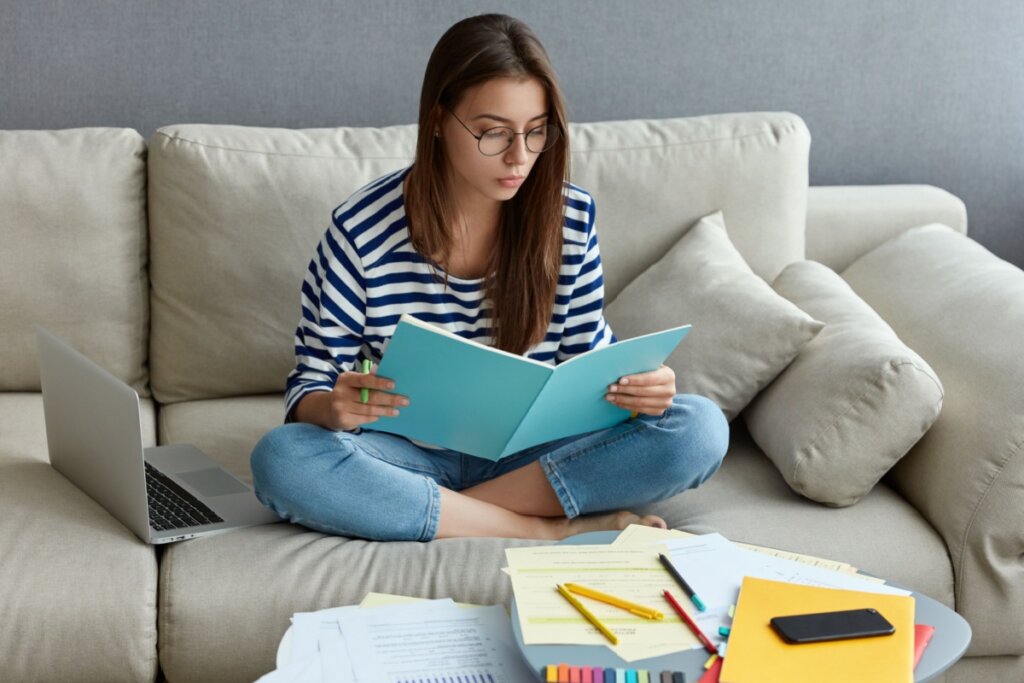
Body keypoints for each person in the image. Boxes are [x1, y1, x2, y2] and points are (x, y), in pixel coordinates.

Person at [250, 13, 728, 542]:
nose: (519, 157)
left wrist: (638, 389)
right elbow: (310, 390)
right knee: (283, 459)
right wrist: (336, 406)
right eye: (492, 133)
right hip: (401, 457)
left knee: (698, 429)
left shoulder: (569, 219)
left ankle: (447, 514)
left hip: (528, 458)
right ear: (438, 119)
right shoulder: (360, 231)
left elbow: (585, 363)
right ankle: (541, 530)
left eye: (536, 131)